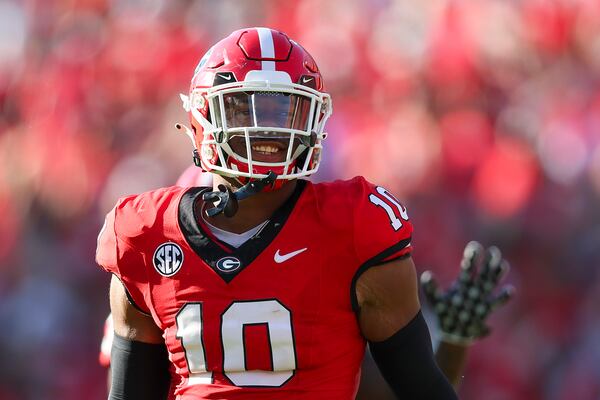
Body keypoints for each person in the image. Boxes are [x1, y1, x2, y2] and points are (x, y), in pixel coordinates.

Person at [96, 27, 511, 399]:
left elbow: (407, 389)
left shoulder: (350, 225)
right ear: (203, 116)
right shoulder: (143, 233)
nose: (267, 130)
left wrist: (451, 345)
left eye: (284, 111)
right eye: (246, 109)